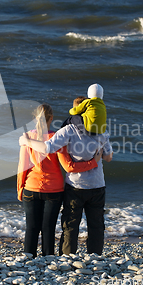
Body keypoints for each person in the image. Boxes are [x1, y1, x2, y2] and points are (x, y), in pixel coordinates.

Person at [20, 100, 113, 256]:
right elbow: (105, 158)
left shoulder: (60, 132)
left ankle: (54, 257)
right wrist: (94, 161)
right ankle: (89, 257)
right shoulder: (98, 130)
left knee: (60, 225)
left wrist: (20, 188)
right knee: (92, 225)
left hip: (50, 186)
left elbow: (25, 165)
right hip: (72, 187)